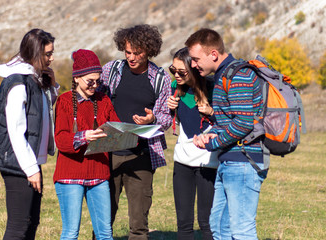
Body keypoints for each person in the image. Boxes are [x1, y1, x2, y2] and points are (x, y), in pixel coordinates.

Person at [186, 28, 267, 240]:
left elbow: (243, 123)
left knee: (241, 230)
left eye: (195, 59)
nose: (193, 65)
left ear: (213, 54)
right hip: (229, 160)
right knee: (219, 228)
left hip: (243, 162)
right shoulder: (224, 74)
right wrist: (211, 136)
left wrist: (214, 143)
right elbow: (230, 120)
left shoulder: (238, 74)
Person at [0, 28, 58, 240]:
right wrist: (31, 169)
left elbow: (45, 112)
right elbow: (16, 130)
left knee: (31, 222)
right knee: (18, 226)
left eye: (52, 53)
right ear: (34, 53)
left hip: (29, 162)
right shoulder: (18, 82)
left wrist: (52, 86)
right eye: (47, 54)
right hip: (18, 163)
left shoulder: (35, 79)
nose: (52, 58)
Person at [99, 24, 172, 239]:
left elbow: (167, 118)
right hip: (109, 152)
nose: (131, 57)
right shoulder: (111, 70)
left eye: (137, 53)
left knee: (139, 224)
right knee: (103, 219)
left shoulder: (160, 78)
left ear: (149, 50)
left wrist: (153, 119)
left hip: (141, 156)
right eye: (127, 52)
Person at [53, 49, 119, 240]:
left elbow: (115, 127)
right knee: (71, 233)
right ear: (76, 78)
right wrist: (84, 136)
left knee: (105, 233)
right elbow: (61, 140)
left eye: (98, 81)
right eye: (90, 81)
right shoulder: (64, 101)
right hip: (70, 177)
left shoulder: (104, 100)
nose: (95, 85)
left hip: (99, 175)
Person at [167, 47, 218, 240]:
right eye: (173, 70)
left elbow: (227, 122)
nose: (176, 75)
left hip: (208, 163)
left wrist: (212, 112)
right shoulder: (174, 88)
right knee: (184, 224)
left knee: (207, 223)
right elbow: (179, 123)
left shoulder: (214, 88)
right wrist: (170, 110)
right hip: (182, 162)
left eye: (182, 72)